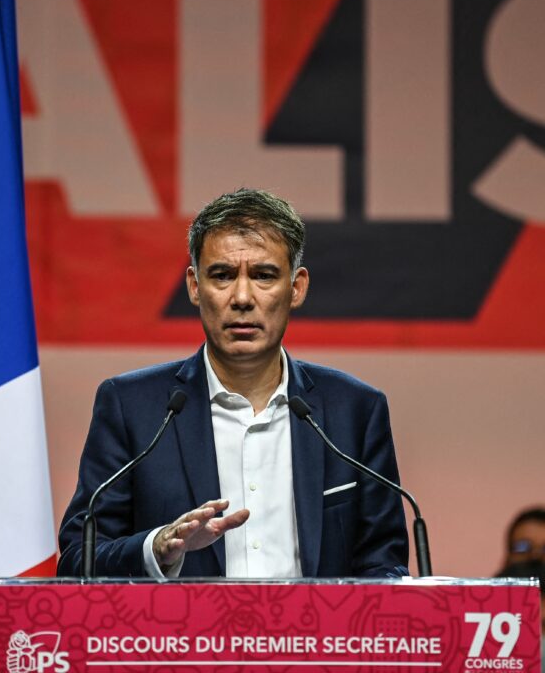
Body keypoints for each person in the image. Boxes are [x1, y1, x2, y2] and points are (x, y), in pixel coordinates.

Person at [58, 188, 409, 578]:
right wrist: (158, 548)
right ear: (195, 286)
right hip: (183, 622)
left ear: (296, 288)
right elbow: (78, 560)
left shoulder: (355, 411)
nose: (242, 297)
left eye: (263, 276)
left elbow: (384, 564)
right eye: (222, 275)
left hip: (315, 622)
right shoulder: (133, 408)